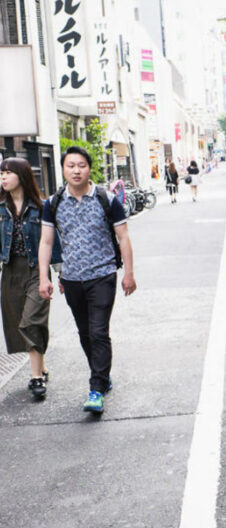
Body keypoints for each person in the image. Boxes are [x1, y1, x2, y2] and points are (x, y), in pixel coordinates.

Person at [38, 146, 137, 414]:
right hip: (71, 278)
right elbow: (46, 241)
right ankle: (102, 374)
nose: (76, 170)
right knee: (84, 333)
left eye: (81, 165)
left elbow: (123, 237)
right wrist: (44, 277)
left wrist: (128, 273)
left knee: (98, 332)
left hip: (103, 275)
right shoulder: (52, 203)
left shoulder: (107, 199)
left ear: (89, 168)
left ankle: (96, 389)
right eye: (71, 166)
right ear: (63, 169)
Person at [0, 158, 61, 399]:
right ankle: (41, 366)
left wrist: (61, 273)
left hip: (37, 270)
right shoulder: (1, 209)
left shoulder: (41, 207)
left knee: (31, 321)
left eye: (8, 173)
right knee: (19, 324)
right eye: (1, 173)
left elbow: (53, 242)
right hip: (10, 271)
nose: (3, 177)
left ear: (22, 176)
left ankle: (36, 377)